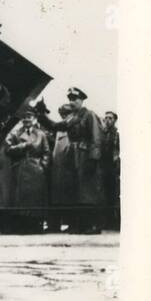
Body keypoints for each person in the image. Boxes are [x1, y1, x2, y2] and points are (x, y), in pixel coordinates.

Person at [55, 87, 104, 233]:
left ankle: (92, 225)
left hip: (85, 155)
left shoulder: (89, 115)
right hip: (73, 155)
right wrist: (42, 116)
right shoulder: (72, 117)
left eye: (75, 99)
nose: (72, 101)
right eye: (70, 99)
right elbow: (57, 126)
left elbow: (96, 137)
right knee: (75, 190)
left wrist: (93, 158)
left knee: (87, 191)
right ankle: (79, 225)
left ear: (82, 100)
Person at [4, 109, 50, 223]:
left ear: (34, 119)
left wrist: (43, 165)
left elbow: (46, 152)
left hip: (36, 169)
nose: (27, 119)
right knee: (20, 199)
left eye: (30, 117)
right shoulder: (14, 133)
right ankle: (22, 224)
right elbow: (8, 149)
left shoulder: (41, 134)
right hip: (20, 167)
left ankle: (36, 224)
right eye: (24, 117)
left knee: (35, 199)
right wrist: (23, 145)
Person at [102, 110, 120, 229]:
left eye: (110, 118)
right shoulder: (103, 133)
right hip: (104, 167)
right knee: (105, 194)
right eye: (106, 118)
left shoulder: (117, 134)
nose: (108, 120)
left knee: (114, 194)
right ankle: (107, 221)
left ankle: (115, 221)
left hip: (113, 167)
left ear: (114, 120)